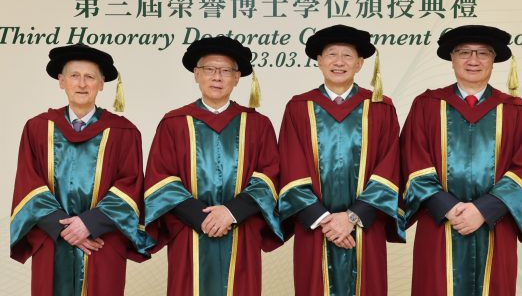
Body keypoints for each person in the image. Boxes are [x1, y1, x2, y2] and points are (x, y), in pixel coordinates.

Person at [401, 25, 522, 296]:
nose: (473, 60)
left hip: (494, 224)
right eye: (464, 52)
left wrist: (483, 210)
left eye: (483, 53)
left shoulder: (515, 110)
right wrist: (448, 207)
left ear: (494, 59)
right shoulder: (427, 105)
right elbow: (412, 161)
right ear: (451, 58)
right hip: (440, 221)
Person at [144, 36, 282, 296]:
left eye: (226, 71)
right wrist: (203, 217)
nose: (217, 77)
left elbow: (269, 177)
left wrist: (231, 212)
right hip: (189, 231)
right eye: (209, 69)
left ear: (237, 78)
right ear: (196, 74)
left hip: (240, 229)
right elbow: (160, 178)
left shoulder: (257, 124)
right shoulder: (174, 122)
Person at [10, 43, 150, 296]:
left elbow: (130, 184)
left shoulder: (124, 132)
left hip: (102, 240)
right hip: (52, 237)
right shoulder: (37, 128)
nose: (82, 84)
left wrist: (90, 223)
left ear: (102, 84)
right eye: (74, 76)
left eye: (90, 77)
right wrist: (65, 228)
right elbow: (28, 182)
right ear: (61, 81)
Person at [278, 25, 404, 296]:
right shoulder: (299, 108)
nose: (339, 62)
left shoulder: (381, 107)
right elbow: (290, 166)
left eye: (347, 56)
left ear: (360, 63)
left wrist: (353, 217)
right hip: (315, 228)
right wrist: (324, 219)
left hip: (364, 227)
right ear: (319, 61)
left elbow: (391, 166)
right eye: (331, 54)